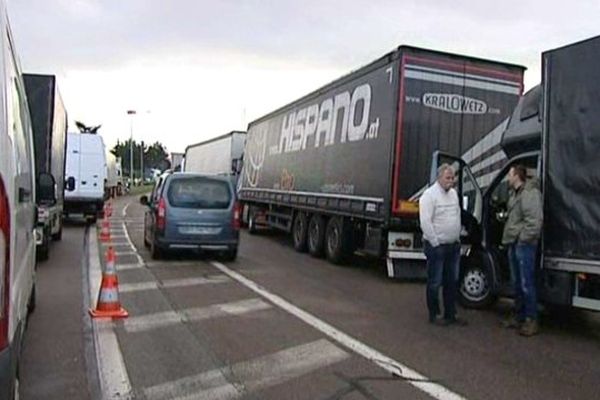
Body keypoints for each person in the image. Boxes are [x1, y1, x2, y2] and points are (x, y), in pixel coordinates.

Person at [419, 164, 466, 326]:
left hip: (453, 246)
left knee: (451, 281)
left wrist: (457, 237)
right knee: (435, 281)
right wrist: (435, 243)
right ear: (439, 178)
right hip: (436, 246)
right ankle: (435, 314)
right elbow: (425, 222)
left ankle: (450, 313)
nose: (451, 182)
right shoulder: (429, 196)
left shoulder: (453, 194)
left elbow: (457, 215)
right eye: (448, 178)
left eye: (452, 178)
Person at [501, 165, 543, 337]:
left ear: (517, 176)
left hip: (524, 245)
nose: (508, 179)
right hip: (514, 243)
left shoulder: (529, 194)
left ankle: (531, 320)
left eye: (510, 175)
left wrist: (521, 239)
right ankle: (519, 316)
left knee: (526, 283)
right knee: (517, 283)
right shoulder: (516, 194)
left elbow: (535, 222)